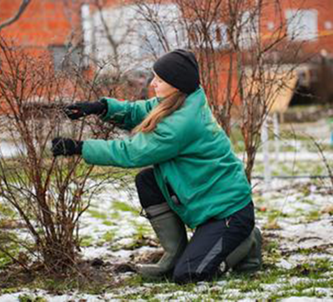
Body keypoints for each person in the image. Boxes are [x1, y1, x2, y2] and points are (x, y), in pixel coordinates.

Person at [51, 49, 262, 284]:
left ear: (176, 83)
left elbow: (132, 152)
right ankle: (176, 254)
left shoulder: (182, 124)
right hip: (209, 206)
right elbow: (138, 111)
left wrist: (80, 148)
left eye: (159, 79)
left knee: (190, 275)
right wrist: (100, 108)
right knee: (148, 181)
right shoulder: (180, 100)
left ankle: (247, 242)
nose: (153, 83)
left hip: (229, 214)